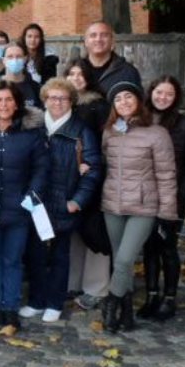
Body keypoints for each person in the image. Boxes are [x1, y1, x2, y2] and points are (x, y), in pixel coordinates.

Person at [20, 78, 102, 323]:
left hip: (64, 201)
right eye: (52, 98)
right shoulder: (33, 126)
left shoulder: (81, 131)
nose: (57, 102)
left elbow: (94, 170)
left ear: (71, 102)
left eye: (63, 98)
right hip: (36, 201)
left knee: (59, 255)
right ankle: (36, 300)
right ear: (44, 100)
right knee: (34, 253)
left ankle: (55, 302)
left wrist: (77, 201)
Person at [100, 81, 176, 332]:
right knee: (121, 262)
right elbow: (104, 164)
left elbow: (166, 175)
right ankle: (128, 314)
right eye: (118, 98)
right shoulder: (110, 131)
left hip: (143, 206)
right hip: (113, 205)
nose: (123, 102)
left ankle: (111, 303)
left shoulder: (156, 133)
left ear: (139, 101)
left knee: (123, 260)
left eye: (128, 97)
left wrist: (167, 212)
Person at [0, 81, 49, 329]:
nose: (3, 105)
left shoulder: (31, 133)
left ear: (16, 103)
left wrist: (31, 196)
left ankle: (11, 306)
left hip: (19, 207)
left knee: (13, 259)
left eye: (8, 100)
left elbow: (41, 168)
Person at [140, 76, 185, 321]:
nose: (162, 98)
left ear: (175, 97)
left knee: (167, 246)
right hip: (144, 196)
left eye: (168, 94)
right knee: (148, 246)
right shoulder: (140, 121)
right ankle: (151, 294)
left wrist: (180, 194)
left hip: (172, 197)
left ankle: (169, 298)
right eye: (159, 92)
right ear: (151, 92)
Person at [63, 58, 113, 311]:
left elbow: (106, 142)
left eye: (80, 74)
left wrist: (93, 166)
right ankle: (73, 282)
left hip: (94, 175)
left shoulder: (98, 106)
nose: (76, 78)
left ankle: (97, 287)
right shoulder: (63, 104)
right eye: (71, 73)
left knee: (94, 231)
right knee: (75, 231)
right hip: (70, 177)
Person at [83, 21, 141, 95]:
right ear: (86, 42)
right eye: (93, 35)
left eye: (104, 35)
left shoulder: (128, 72)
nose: (98, 39)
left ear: (112, 41)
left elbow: (137, 102)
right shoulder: (75, 71)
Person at [1, 41, 43, 109]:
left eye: (19, 56)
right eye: (10, 57)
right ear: (4, 60)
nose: (14, 60)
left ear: (25, 59)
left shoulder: (36, 88)